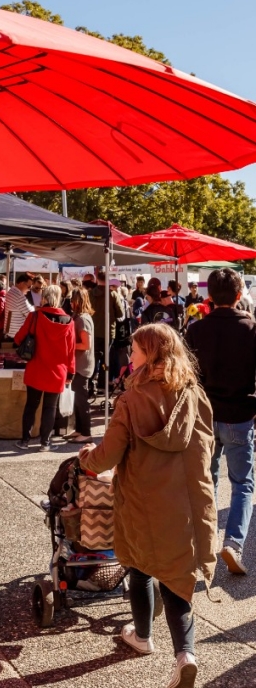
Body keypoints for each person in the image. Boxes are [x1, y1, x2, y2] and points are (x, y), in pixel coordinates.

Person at [79, 324, 217, 688]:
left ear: (151, 354)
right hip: (186, 502)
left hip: (143, 501)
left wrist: (85, 458)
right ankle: (186, 654)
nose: (130, 355)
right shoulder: (194, 394)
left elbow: (105, 458)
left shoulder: (132, 399)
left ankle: (142, 637)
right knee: (177, 579)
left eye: (136, 349)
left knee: (140, 568)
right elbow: (206, 450)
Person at [186, 268, 256, 575]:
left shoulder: (196, 329)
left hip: (205, 415)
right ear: (239, 296)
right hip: (241, 415)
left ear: (209, 297)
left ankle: (205, 544)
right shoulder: (251, 327)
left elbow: (188, 378)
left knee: (207, 481)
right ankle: (234, 543)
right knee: (242, 484)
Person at [14, 285, 75, 452]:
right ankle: (45, 443)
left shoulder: (35, 316)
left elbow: (19, 338)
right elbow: (71, 351)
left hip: (36, 367)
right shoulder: (69, 321)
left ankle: (25, 440)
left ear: (44, 298)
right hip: (58, 371)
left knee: (31, 405)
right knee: (50, 407)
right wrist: (71, 372)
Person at [64, 287, 95, 444]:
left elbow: (86, 344)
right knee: (77, 399)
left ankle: (87, 432)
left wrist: (69, 345)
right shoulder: (79, 317)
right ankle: (79, 429)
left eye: (73, 300)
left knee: (81, 400)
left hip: (82, 366)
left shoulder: (83, 319)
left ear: (78, 301)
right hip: (78, 365)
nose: (71, 303)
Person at [4, 273, 34, 338]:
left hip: (11, 332)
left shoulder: (11, 291)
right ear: (22, 283)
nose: (29, 290)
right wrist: (35, 308)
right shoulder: (19, 296)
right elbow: (30, 314)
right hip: (17, 334)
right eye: (29, 287)